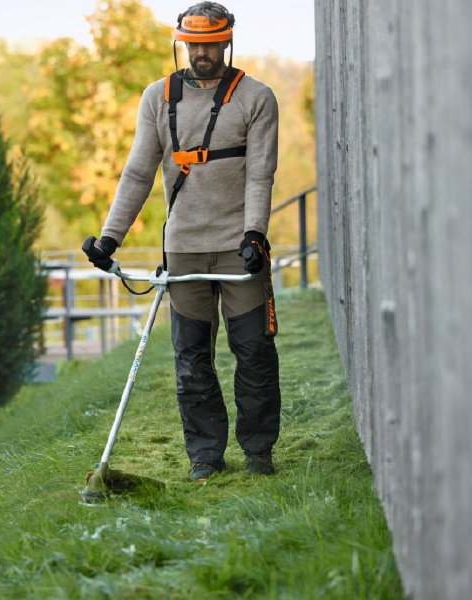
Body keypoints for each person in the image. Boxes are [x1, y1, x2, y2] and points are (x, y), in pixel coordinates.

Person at [82, 1, 280, 481]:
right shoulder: (158, 97)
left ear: (226, 42)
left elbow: (260, 174)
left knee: (254, 352)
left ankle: (258, 452)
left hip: (239, 248)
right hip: (184, 248)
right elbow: (137, 173)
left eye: (209, 44)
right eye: (192, 45)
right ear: (182, 44)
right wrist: (109, 238)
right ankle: (205, 457)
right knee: (191, 359)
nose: (200, 53)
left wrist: (255, 233)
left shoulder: (256, 97)